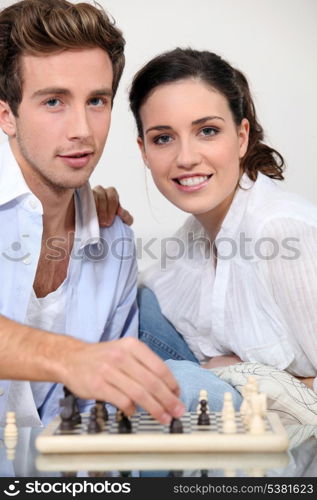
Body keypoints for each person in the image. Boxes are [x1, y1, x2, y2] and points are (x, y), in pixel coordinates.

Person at [0, 0, 188, 426]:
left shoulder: (113, 237)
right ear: (6, 113)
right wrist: (70, 358)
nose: (82, 130)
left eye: (97, 101)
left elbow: (97, 413)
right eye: (54, 102)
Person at [122, 47, 317, 393]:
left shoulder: (280, 229)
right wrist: (91, 214)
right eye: (163, 138)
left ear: (241, 137)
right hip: (238, 425)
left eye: (207, 131)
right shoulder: (193, 238)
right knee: (131, 305)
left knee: (191, 384)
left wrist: (248, 377)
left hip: (292, 436)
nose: (186, 158)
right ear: (144, 152)